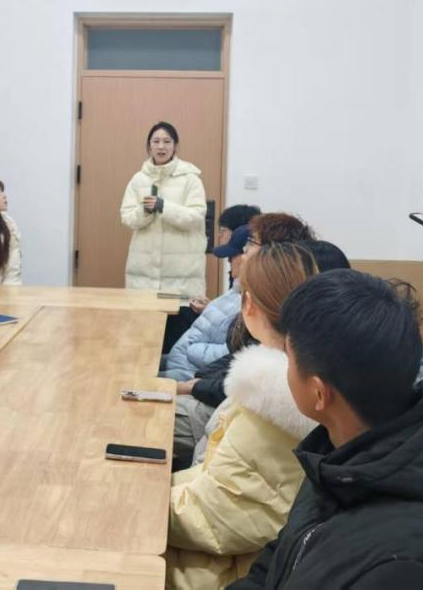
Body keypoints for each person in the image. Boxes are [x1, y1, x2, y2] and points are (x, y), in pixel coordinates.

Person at [232, 270, 423, 590]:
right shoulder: (339, 459)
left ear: (319, 393)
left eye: (288, 359)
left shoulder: (412, 567)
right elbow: (278, 562)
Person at [165, 243, 317, 590]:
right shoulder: (287, 385)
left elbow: (212, 517)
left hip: (219, 573)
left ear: (248, 306)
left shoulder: (272, 402)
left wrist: (138, 499)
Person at [169, 215, 320, 468]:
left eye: (251, 243)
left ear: (249, 306)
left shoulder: (261, 389)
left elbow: (214, 480)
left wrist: (194, 385)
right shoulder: (295, 372)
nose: (243, 251)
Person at [120, 122, 207, 298]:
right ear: (149, 146)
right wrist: (144, 211)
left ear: (175, 146)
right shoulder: (138, 180)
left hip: (181, 279)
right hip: (143, 278)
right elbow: (127, 217)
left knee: (178, 315)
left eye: (167, 141)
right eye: (156, 141)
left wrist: (163, 207)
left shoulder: (191, 179)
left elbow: (196, 217)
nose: (161, 146)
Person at [160, 224, 251, 382]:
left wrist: (192, 349)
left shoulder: (250, 303)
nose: (229, 260)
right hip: (178, 362)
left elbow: (233, 351)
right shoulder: (236, 290)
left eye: (234, 254)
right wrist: (210, 308)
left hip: (189, 373)